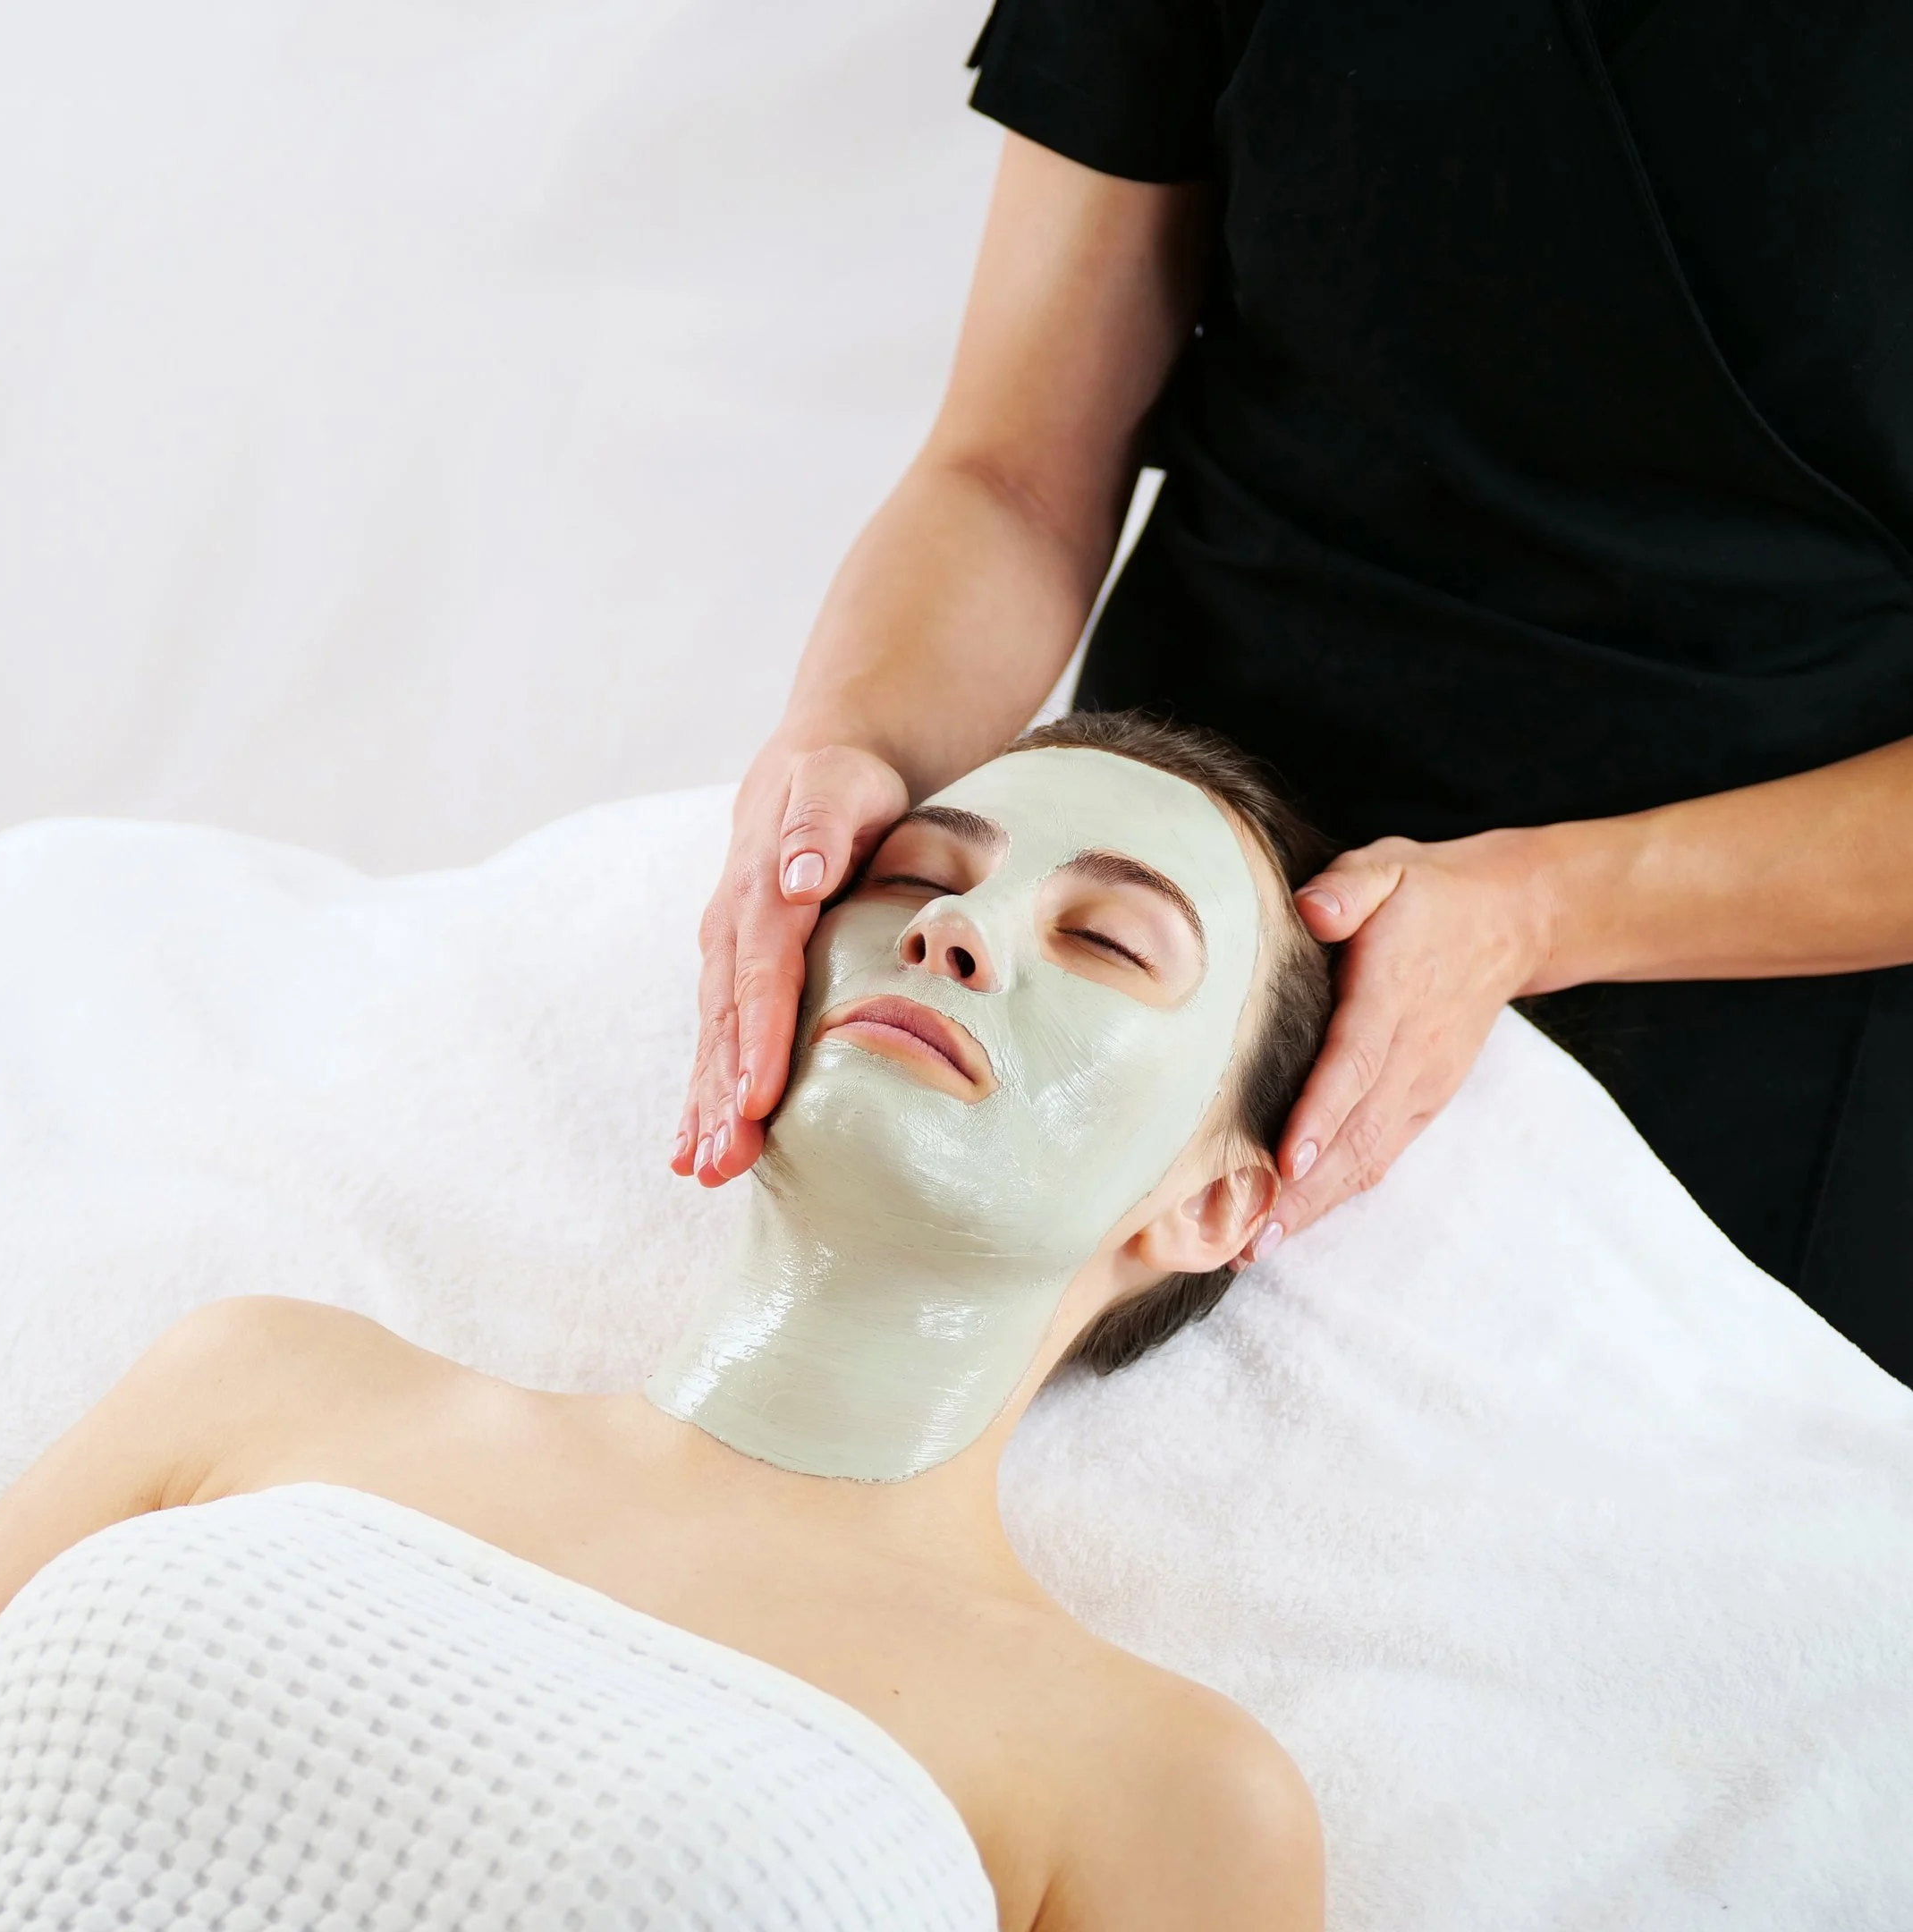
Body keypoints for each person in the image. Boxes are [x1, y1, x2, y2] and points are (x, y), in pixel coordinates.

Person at [0, 716, 1332, 1932]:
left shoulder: (1173, 1803)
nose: (954, 933)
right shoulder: (258, 1385)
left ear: (1215, 1199)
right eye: (913, 877)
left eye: (1110, 943)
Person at [675, 0, 1913, 1380]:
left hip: (1740, 1001)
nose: (941, 930)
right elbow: (1013, 472)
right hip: (1176, 883)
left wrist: (1544, 909)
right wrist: (856, 749)